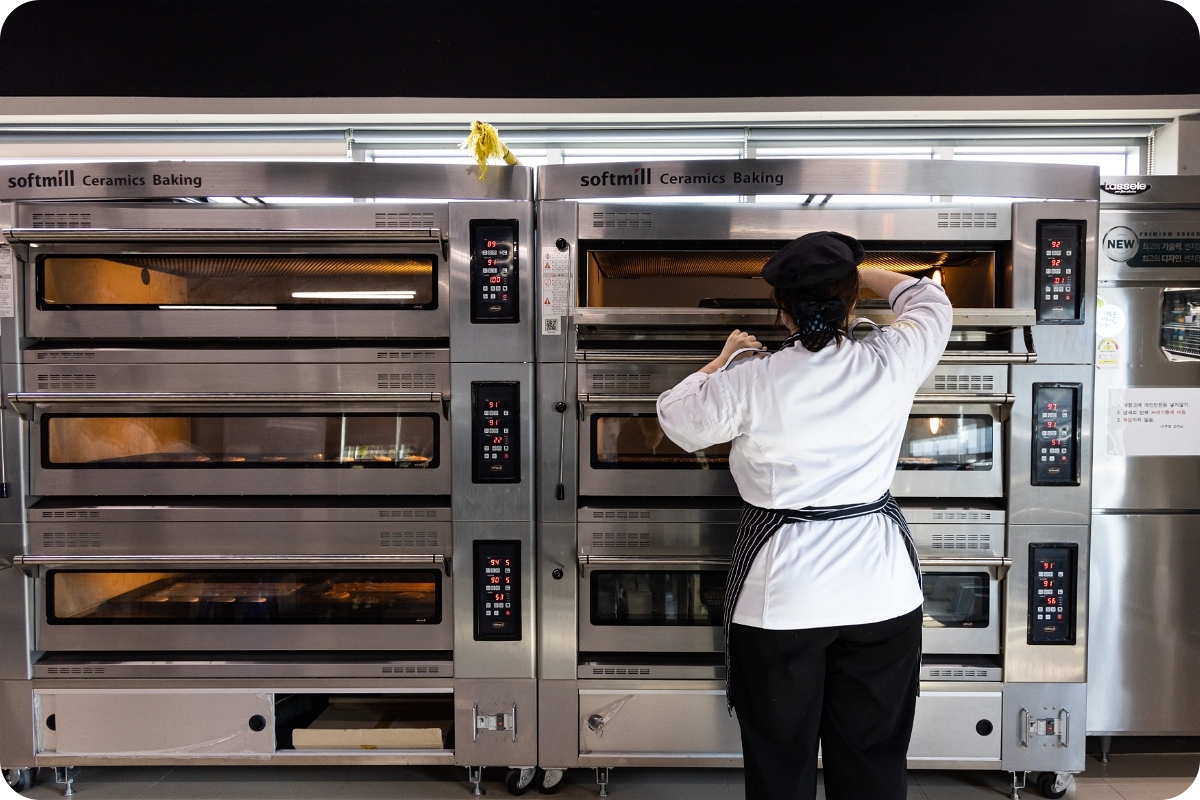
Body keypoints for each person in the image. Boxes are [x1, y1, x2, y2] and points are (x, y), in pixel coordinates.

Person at [656, 231, 953, 800]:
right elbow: (928, 299)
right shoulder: (892, 358)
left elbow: (677, 419)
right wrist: (858, 277)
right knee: (872, 763)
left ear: (782, 307)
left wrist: (723, 358)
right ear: (850, 300)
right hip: (881, 593)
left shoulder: (753, 377)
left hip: (782, 598)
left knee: (780, 766)